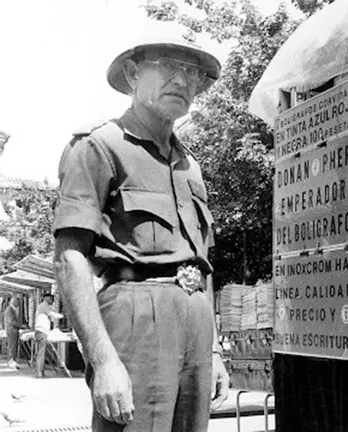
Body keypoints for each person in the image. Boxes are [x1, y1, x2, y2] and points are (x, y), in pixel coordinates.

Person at [53, 28, 229, 432]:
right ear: (133, 74)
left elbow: (202, 264)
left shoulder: (190, 165)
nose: (182, 81)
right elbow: (69, 257)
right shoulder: (98, 147)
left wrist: (215, 349)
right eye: (167, 67)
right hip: (135, 322)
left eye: (192, 73)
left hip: (195, 327)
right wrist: (103, 360)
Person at [33, 293, 63, 378]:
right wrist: (64, 316)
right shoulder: (44, 306)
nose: (53, 301)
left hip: (42, 331)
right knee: (41, 353)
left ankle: (41, 372)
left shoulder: (45, 306)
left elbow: (52, 314)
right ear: (47, 298)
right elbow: (52, 314)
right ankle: (39, 373)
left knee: (41, 352)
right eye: (51, 299)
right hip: (41, 331)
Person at [2, 296, 21, 369]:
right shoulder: (10, 309)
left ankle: (12, 362)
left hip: (12, 330)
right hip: (12, 330)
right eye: (18, 302)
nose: (19, 304)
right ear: (14, 302)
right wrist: (21, 325)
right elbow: (12, 321)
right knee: (12, 347)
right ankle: (11, 362)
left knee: (12, 347)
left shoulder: (11, 309)